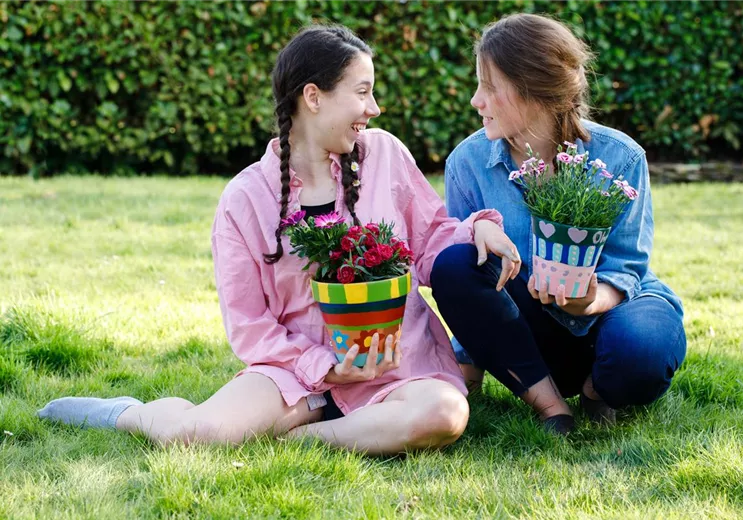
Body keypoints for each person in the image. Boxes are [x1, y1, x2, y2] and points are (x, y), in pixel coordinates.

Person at [37, 25, 522, 455]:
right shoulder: (245, 198)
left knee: (444, 414)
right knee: (197, 434)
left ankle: (301, 438)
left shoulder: (385, 155)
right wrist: (326, 369)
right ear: (314, 97)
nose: (374, 108)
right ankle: (128, 413)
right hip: (296, 371)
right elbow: (249, 325)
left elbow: (431, 235)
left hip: (394, 366)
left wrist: (474, 228)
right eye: (362, 92)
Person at [430, 14, 687, 435]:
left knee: (641, 353)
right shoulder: (468, 164)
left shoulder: (620, 157)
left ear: (534, 90)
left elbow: (626, 269)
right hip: (530, 336)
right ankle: (550, 403)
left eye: (490, 87)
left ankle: (598, 390)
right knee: (455, 260)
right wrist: (466, 362)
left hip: (611, 313)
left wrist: (587, 301)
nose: (476, 100)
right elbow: (470, 281)